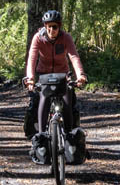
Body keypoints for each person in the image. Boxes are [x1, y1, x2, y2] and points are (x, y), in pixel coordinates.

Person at [24, 10, 87, 161]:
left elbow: (74, 57)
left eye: (55, 27)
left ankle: (70, 139)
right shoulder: (38, 38)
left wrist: (80, 76)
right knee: (42, 101)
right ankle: (41, 139)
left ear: (59, 27)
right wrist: (31, 79)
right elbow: (32, 58)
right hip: (44, 76)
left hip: (62, 77)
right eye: (48, 27)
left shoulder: (66, 38)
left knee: (68, 103)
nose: (51, 30)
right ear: (45, 26)